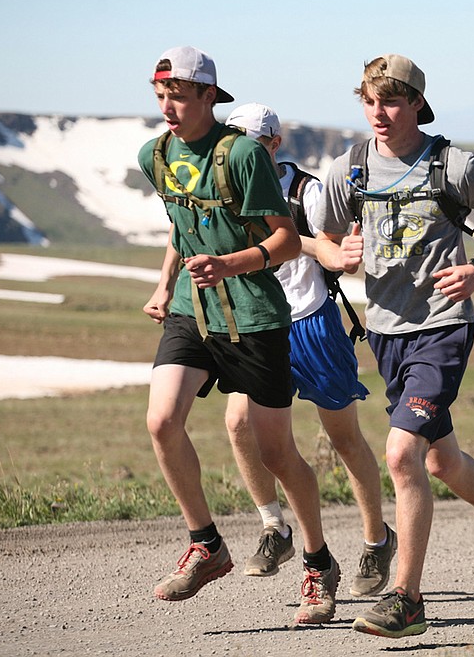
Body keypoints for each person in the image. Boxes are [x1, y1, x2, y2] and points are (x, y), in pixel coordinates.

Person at [312, 54, 474, 638]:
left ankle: (407, 598)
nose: (377, 113)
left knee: (402, 454)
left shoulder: (455, 166)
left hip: (444, 326)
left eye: (390, 101)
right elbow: (320, 240)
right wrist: (336, 256)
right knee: (439, 459)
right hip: (384, 333)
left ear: (415, 104)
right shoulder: (349, 171)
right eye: (368, 101)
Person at [137, 47, 340, 624]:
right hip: (191, 310)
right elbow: (184, 225)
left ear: (209, 97)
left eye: (179, 96)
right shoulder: (154, 155)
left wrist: (229, 264)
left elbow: (284, 240)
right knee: (160, 421)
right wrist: (166, 283)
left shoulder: (244, 154)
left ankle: (318, 563)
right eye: (160, 97)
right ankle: (207, 544)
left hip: (254, 314)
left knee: (276, 451)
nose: (168, 108)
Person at [222, 102, 396, 599]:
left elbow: (336, 256)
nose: (239, 156)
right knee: (238, 425)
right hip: (258, 326)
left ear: (274, 145)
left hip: (311, 322)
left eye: (250, 145)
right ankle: (274, 527)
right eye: (232, 147)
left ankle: (376, 539)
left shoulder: (308, 192)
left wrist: (338, 253)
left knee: (343, 439)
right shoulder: (226, 189)